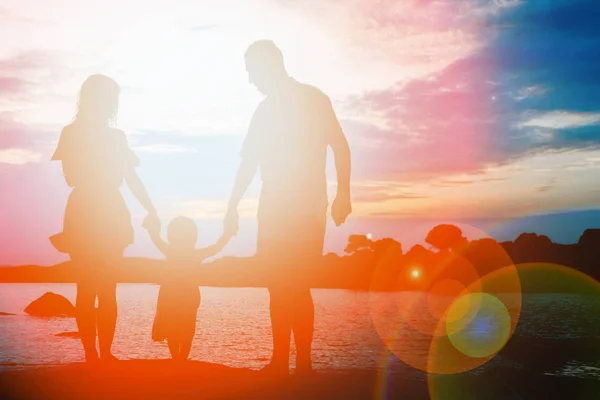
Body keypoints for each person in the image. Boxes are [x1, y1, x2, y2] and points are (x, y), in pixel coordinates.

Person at [224, 40, 352, 375]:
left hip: (306, 209)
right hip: (275, 209)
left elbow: (340, 146)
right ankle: (282, 360)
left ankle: (303, 363)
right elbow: (249, 163)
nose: (251, 80)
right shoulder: (264, 110)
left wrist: (344, 194)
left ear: (269, 66)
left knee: (295, 283)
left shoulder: (313, 99)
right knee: (279, 284)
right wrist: (233, 205)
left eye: (252, 71)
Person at [50, 74, 159, 362]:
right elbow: (71, 177)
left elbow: (131, 178)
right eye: (110, 97)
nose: (112, 104)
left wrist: (150, 207)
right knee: (88, 288)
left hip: (109, 210)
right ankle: (91, 355)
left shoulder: (116, 136)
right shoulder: (72, 133)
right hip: (87, 210)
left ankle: (105, 354)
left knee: (106, 289)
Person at [147, 216, 231, 361]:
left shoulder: (170, 251)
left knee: (175, 326)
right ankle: (182, 358)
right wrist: (227, 234)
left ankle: (177, 359)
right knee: (186, 325)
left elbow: (156, 238)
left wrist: (151, 228)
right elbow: (217, 247)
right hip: (184, 295)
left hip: (174, 294)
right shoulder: (193, 254)